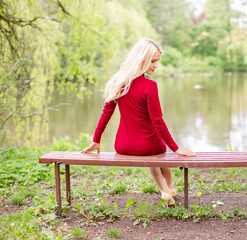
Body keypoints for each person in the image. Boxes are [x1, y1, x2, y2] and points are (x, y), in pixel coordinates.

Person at [81, 38, 196, 206]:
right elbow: (158, 121)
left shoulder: (119, 83)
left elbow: (106, 114)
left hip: (122, 146)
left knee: (152, 151)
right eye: (153, 61)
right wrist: (176, 148)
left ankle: (164, 190)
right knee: (157, 148)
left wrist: (96, 140)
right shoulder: (150, 86)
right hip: (149, 146)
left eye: (157, 61)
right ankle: (169, 187)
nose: (156, 65)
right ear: (141, 59)